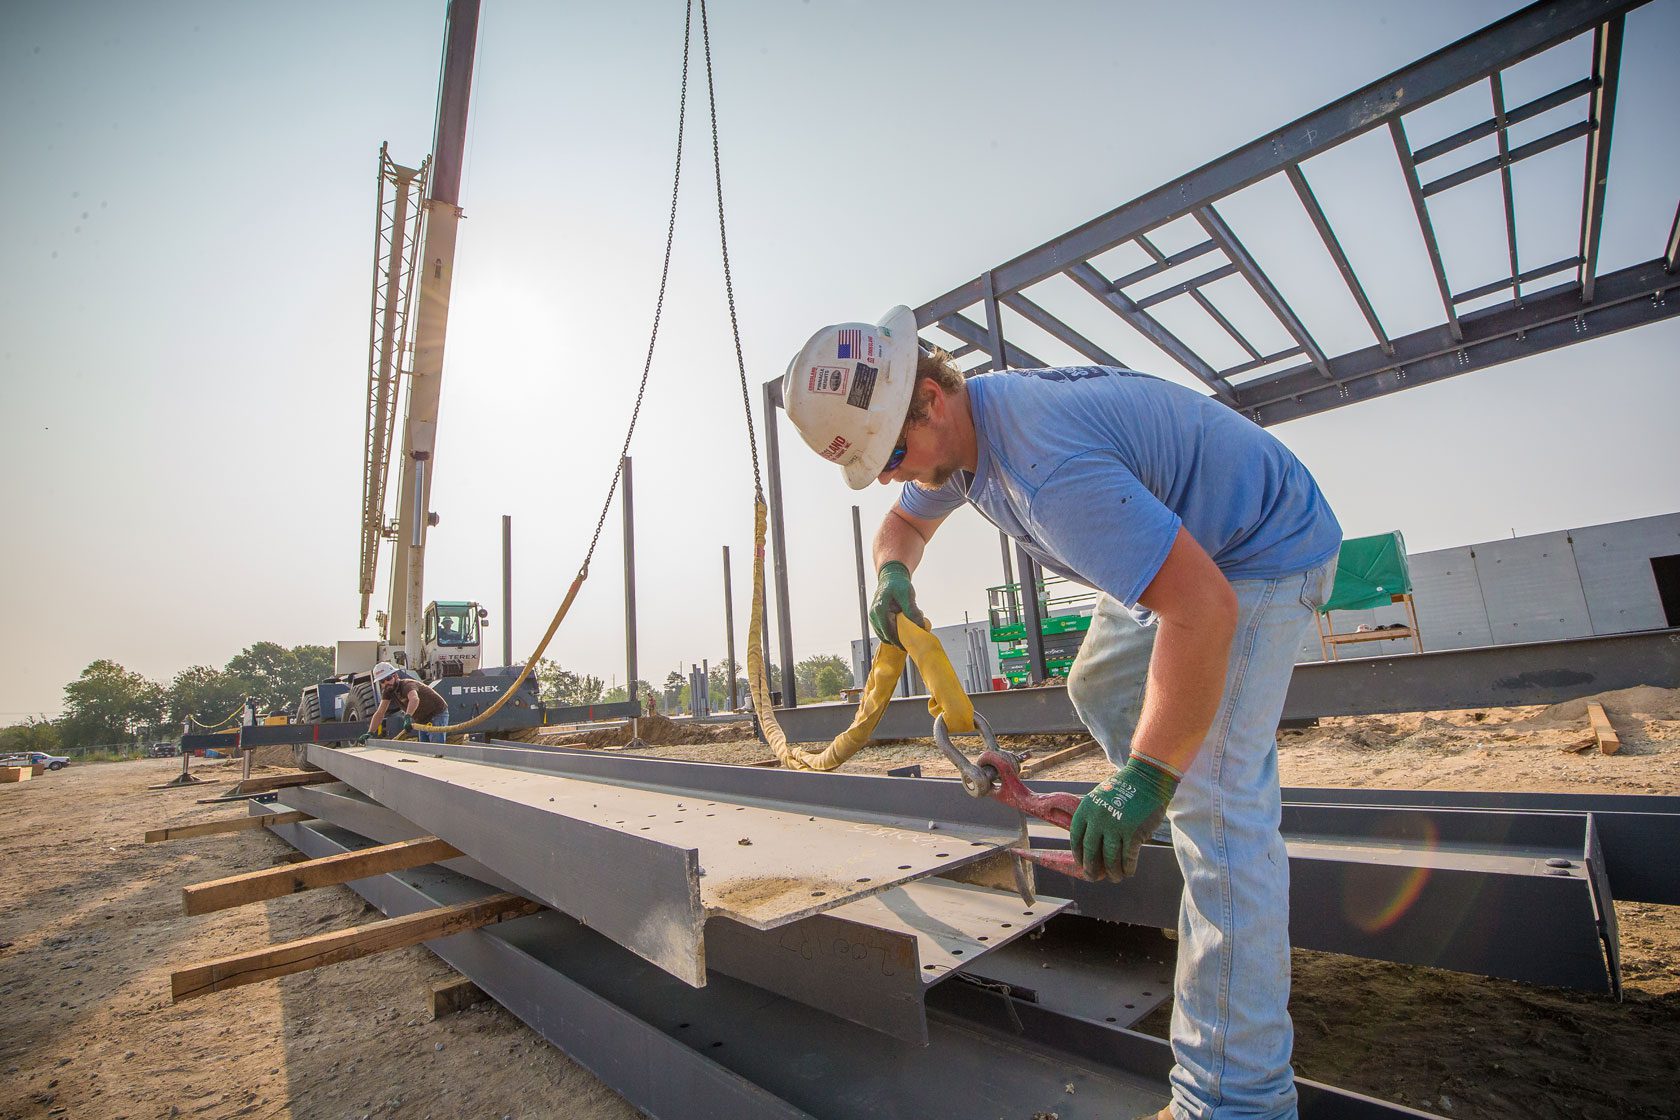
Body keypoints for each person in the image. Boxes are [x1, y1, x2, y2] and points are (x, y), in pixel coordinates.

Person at [782, 307, 1341, 1120]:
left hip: (1257, 551)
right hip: (1190, 543)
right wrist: (890, 578)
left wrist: (1146, 779)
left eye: (895, 454)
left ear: (932, 398)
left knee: (1222, 819)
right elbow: (902, 525)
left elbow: (1204, 611)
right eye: (881, 466)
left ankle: (1236, 1102)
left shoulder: (1044, 469)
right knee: (1101, 687)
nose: (898, 476)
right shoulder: (964, 445)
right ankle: (1173, 807)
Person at [365, 661, 451, 744]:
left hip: (436, 713)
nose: (386, 683)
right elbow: (380, 713)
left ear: (395, 676)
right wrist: (370, 732)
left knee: (436, 747)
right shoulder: (388, 691)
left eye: (388, 678)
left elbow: (414, 699)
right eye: (382, 681)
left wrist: (408, 717)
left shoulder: (407, 685)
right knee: (425, 748)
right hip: (421, 718)